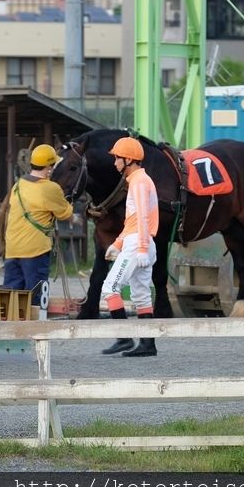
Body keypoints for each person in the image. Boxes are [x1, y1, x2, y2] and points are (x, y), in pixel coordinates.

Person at [100, 137, 159, 358]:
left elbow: (142, 217)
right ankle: (147, 345)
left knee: (109, 288)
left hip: (138, 244)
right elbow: (134, 220)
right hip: (138, 242)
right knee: (141, 295)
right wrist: (117, 243)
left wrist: (142, 248)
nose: (115, 161)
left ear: (129, 159)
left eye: (117, 157)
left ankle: (124, 338)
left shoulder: (139, 183)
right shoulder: (137, 180)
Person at [3, 144, 74, 301]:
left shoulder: (18, 185)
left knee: (11, 299)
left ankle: (10, 325)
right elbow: (65, 214)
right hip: (34, 251)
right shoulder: (50, 188)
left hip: (13, 249)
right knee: (35, 299)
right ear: (48, 167)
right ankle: (36, 325)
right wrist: (76, 218)